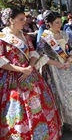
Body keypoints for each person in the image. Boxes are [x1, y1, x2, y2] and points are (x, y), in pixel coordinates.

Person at [0, 8, 62, 139]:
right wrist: (21, 70)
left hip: (31, 74)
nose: (25, 21)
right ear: (11, 20)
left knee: (41, 107)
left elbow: (33, 53)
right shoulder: (2, 38)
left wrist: (30, 66)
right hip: (13, 78)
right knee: (18, 111)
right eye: (21, 19)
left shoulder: (25, 36)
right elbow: (1, 61)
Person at [37, 11, 72, 130]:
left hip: (67, 66)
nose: (59, 25)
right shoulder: (45, 37)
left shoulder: (64, 34)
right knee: (63, 95)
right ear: (49, 24)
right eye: (57, 23)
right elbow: (41, 56)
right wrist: (57, 63)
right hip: (54, 69)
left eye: (60, 22)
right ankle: (68, 123)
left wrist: (70, 59)